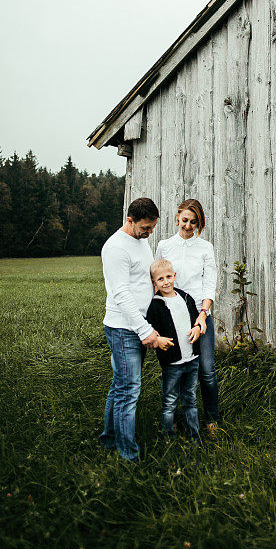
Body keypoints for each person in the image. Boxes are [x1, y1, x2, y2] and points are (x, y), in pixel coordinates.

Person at [99, 197, 170, 462]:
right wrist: (145, 331)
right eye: (146, 228)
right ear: (130, 220)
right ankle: (128, 455)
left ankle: (108, 439)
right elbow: (121, 295)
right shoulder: (116, 248)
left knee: (121, 385)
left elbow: (143, 280)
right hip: (123, 328)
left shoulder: (141, 242)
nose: (150, 232)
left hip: (139, 324)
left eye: (152, 227)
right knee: (129, 390)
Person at [155, 199, 219, 435]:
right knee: (175, 369)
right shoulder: (165, 245)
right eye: (185, 221)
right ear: (177, 217)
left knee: (206, 369)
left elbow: (209, 282)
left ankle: (212, 420)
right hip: (172, 315)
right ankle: (172, 419)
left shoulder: (205, 248)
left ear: (199, 223)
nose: (188, 226)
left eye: (194, 222)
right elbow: (158, 278)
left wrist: (203, 315)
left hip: (199, 314)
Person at [147, 259, 202, 441]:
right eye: (160, 279)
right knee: (170, 401)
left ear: (174, 276)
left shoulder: (185, 297)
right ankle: (168, 437)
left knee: (190, 399)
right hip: (172, 363)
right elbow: (150, 329)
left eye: (169, 277)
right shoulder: (155, 305)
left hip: (192, 359)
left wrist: (197, 328)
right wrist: (157, 338)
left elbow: (196, 320)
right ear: (154, 283)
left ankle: (194, 436)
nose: (166, 282)